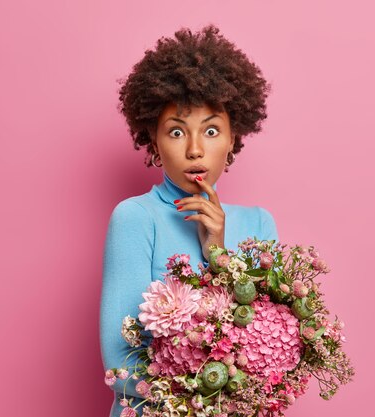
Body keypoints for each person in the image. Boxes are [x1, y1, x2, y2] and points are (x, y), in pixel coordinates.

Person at [99, 24, 279, 417]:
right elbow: (120, 366)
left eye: (211, 131)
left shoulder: (259, 225)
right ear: (153, 138)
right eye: (177, 131)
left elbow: (274, 352)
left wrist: (217, 251)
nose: (195, 150)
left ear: (233, 138)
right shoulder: (135, 218)